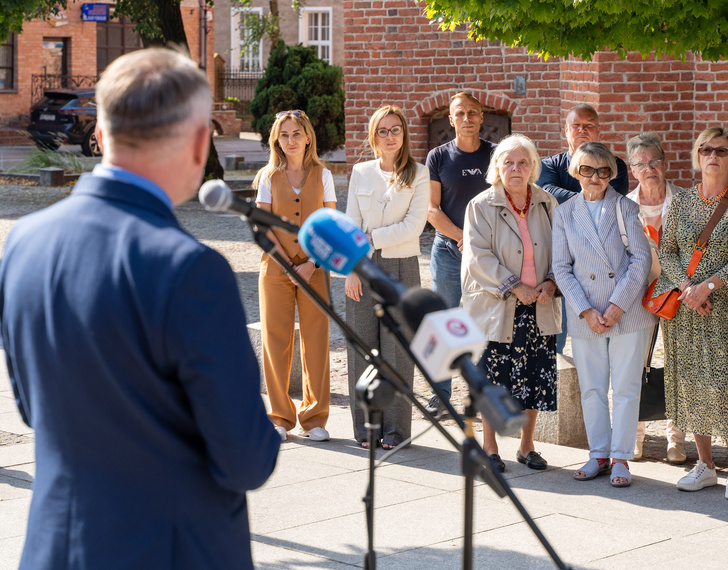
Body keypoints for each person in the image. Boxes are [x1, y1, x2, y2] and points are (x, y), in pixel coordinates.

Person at [0, 48, 279, 569]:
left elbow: (34, 408)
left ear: (101, 137)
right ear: (200, 142)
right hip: (168, 551)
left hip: (56, 547)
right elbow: (246, 461)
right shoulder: (193, 270)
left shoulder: (23, 242)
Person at [655, 127, 728, 500]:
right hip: (685, 308)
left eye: (721, 150)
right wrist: (688, 290)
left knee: (723, 385)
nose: (713, 155)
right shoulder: (680, 201)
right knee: (690, 382)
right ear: (697, 156)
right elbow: (666, 252)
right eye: (706, 149)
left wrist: (708, 286)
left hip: (724, 308)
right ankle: (705, 465)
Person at [552, 142, 656, 487]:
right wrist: (585, 310)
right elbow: (561, 268)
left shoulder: (626, 207)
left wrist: (616, 305)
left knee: (626, 388)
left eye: (603, 171)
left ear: (612, 174)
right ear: (575, 172)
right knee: (591, 388)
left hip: (626, 313)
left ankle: (622, 458)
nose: (595, 177)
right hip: (586, 315)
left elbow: (640, 260)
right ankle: (598, 453)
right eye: (587, 170)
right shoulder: (565, 213)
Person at [461, 134, 560, 473]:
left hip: (540, 305)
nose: (516, 168)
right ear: (497, 167)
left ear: (533, 166)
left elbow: (561, 253)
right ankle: (489, 447)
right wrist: (515, 286)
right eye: (508, 162)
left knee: (534, 378)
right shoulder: (481, 205)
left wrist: (551, 282)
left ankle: (527, 446)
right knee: (494, 379)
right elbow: (478, 257)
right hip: (498, 306)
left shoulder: (547, 203)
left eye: (523, 162)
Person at [345, 105, 430, 449]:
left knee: (397, 350)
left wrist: (370, 238)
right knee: (362, 348)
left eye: (396, 130)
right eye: (383, 130)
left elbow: (415, 226)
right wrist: (350, 269)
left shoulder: (418, 174)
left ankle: (396, 433)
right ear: (373, 135)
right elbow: (350, 223)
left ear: (404, 134)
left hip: (400, 266)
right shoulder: (360, 172)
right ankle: (366, 429)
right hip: (362, 267)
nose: (390, 136)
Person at [254, 110, 336, 442]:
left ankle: (314, 418)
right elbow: (263, 226)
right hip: (275, 269)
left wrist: (312, 264)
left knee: (317, 341)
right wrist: (289, 266)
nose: (290, 140)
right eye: (284, 134)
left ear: (307, 138)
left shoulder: (323, 174)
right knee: (275, 341)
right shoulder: (267, 176)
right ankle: (280, 417)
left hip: (315, 268)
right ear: (277, 139)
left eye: (296, 133)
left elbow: (330, 225)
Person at [537, 103, 629, 355]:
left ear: (598, 130)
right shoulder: (549, 166)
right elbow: (548, 193)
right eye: (576, 125)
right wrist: (592, 194)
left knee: (602, 333)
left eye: (589, 125)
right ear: (565, 130)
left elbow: (615, 199)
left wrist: (580, 199)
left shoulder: (616, 165)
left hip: (604, 262)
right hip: (561, 256)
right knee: (556, 332)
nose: (582, 130)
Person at [425, 92, 496, 416]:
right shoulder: (438, 157)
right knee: (445, 321)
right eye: (460, 113)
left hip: (489, 254)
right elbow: (431, 209)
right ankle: (439, 397)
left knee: (484, 323)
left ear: (482, 118)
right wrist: (461, 238)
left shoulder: (496, 155)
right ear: (450, 120)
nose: (466, 118)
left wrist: (478, 242)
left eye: (472, 112)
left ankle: (481, 394)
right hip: (448, 252)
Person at [624, 132, 687, 464]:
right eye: (641, 163)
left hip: (677, 295)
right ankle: (635, 437)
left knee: (678, 365)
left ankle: (676, 439)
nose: (649, 168)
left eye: (654, 161)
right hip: (638, 298)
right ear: (633, 170)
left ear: (666, 164)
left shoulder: (686, 202)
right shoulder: (623, 207)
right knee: (636, 365)